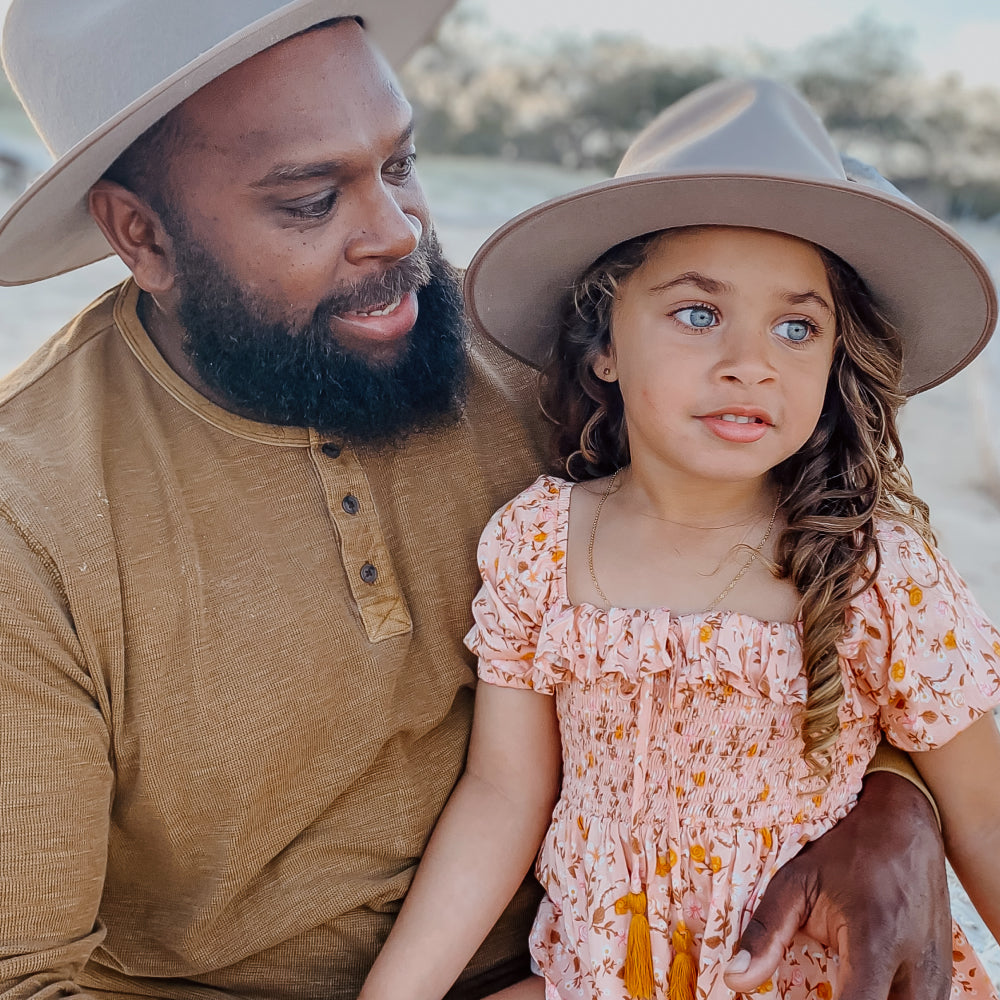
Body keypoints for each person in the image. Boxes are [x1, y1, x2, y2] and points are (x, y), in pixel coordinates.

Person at [0, 4, 963, 997]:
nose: (394, 232)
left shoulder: (547, 365)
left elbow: (820, 600)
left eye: (401, 164)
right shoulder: (29, 519)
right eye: (307, 200)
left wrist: (892, 797)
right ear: (140, 234)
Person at [359, 77, 1000, 1000]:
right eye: (698, 314)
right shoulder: (540, 542)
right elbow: (505, 794)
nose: (750, 362)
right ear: (605, 346)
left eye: (796, 326)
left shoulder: (876, 569)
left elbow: (981, 815)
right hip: (599, 977)